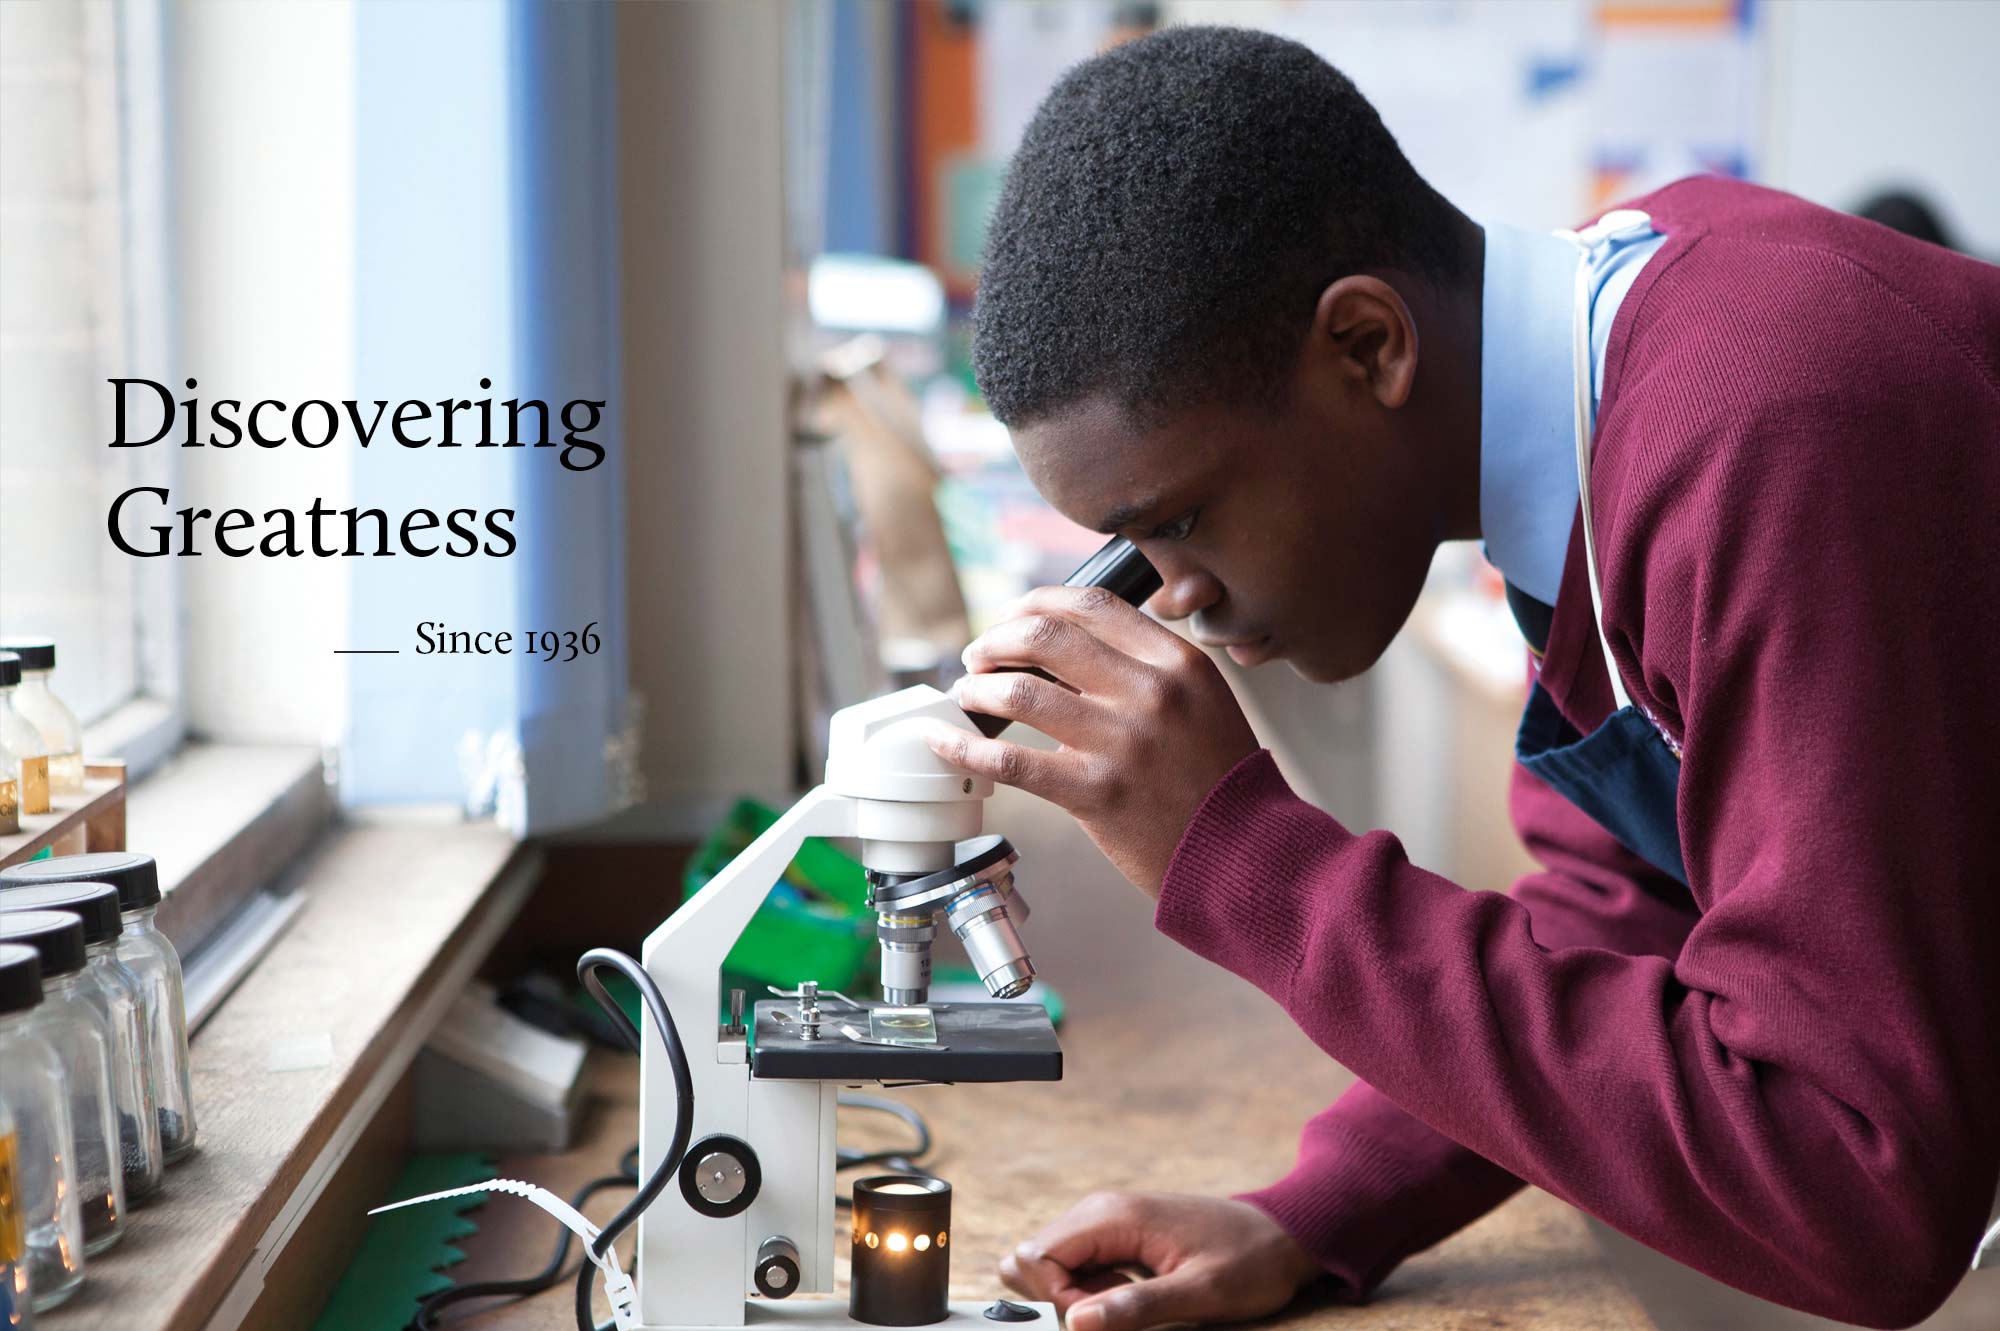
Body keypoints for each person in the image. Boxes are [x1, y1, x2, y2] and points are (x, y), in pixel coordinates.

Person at [923, 25, 2000, 1331]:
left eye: (1184, 520)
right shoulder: (1599, 392)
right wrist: (1321, 1208)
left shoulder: (1766, 425)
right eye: (1131, 553)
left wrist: (1250, 859)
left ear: (1367, 346)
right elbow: (1638, 901)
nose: (1179, 597)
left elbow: (1859, 1189)